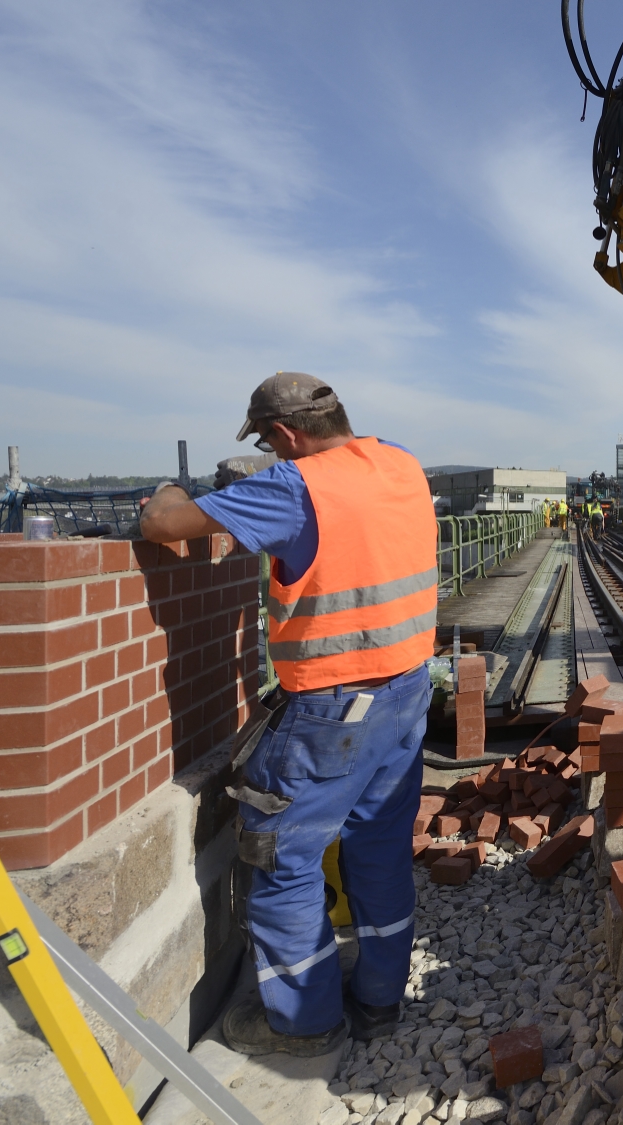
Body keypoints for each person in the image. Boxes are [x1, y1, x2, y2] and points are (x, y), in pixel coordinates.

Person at [140, 372, 437, 1055]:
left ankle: (305, 1024)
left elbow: (162, 524)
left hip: (336, 709)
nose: (275, 456)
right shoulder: (400, 463)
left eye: (273, 444)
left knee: (282, 858)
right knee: (379, 848)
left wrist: (174, 491)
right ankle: (379, 1000)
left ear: (287, 435)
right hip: (407, 692)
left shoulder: (296, 488)